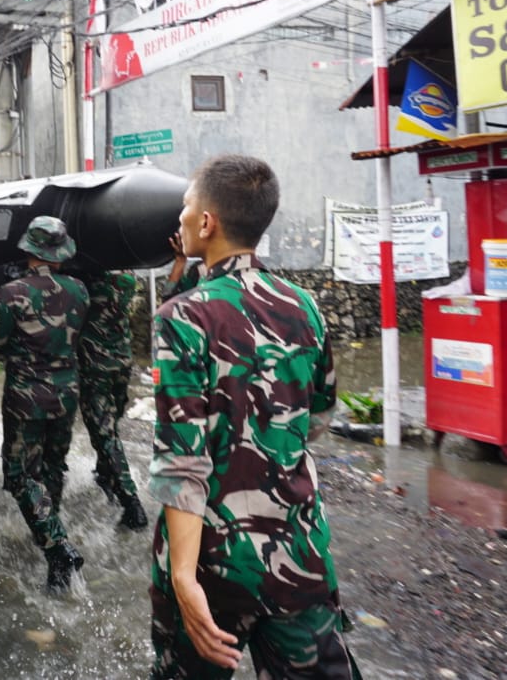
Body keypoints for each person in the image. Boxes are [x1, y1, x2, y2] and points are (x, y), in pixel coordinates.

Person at [148, 155, 356, 679]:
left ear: (206, 222)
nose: (179, 219)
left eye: (185, 208)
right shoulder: (304, 306)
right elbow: (317, 417)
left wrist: (182, 577)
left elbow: (182, 462)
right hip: (299, 555)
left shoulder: (183, 317)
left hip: (214, 567)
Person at [0, 216, 89, 593]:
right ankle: (55, 557)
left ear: (29, 249)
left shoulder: (11, 293)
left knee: (18, 475)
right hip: (67, 393)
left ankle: (57, 545)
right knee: (53, 468)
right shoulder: (80, 289)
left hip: (26, 397)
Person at [77, 269, 148, 530]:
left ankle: (131, 502)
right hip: (121, 360)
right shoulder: (127, 278)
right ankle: (105, 474)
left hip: (95, 365)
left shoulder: (86, 280)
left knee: (103, 433)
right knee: (111, 425)